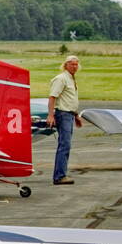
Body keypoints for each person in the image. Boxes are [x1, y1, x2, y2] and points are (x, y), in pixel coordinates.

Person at [46, 55, 84, 185]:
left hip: (69, 114)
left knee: (65, 145)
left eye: (76, 64)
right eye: (72, 64)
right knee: (64, 145)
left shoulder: (71, 79)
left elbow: (69, 100)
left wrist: (76, 115)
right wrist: (50, 115)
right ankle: (59, 176)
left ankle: (60, 174)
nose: (74, 66)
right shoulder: (61, 79)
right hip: (62, 114)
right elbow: (52, 97)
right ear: (66, 65)